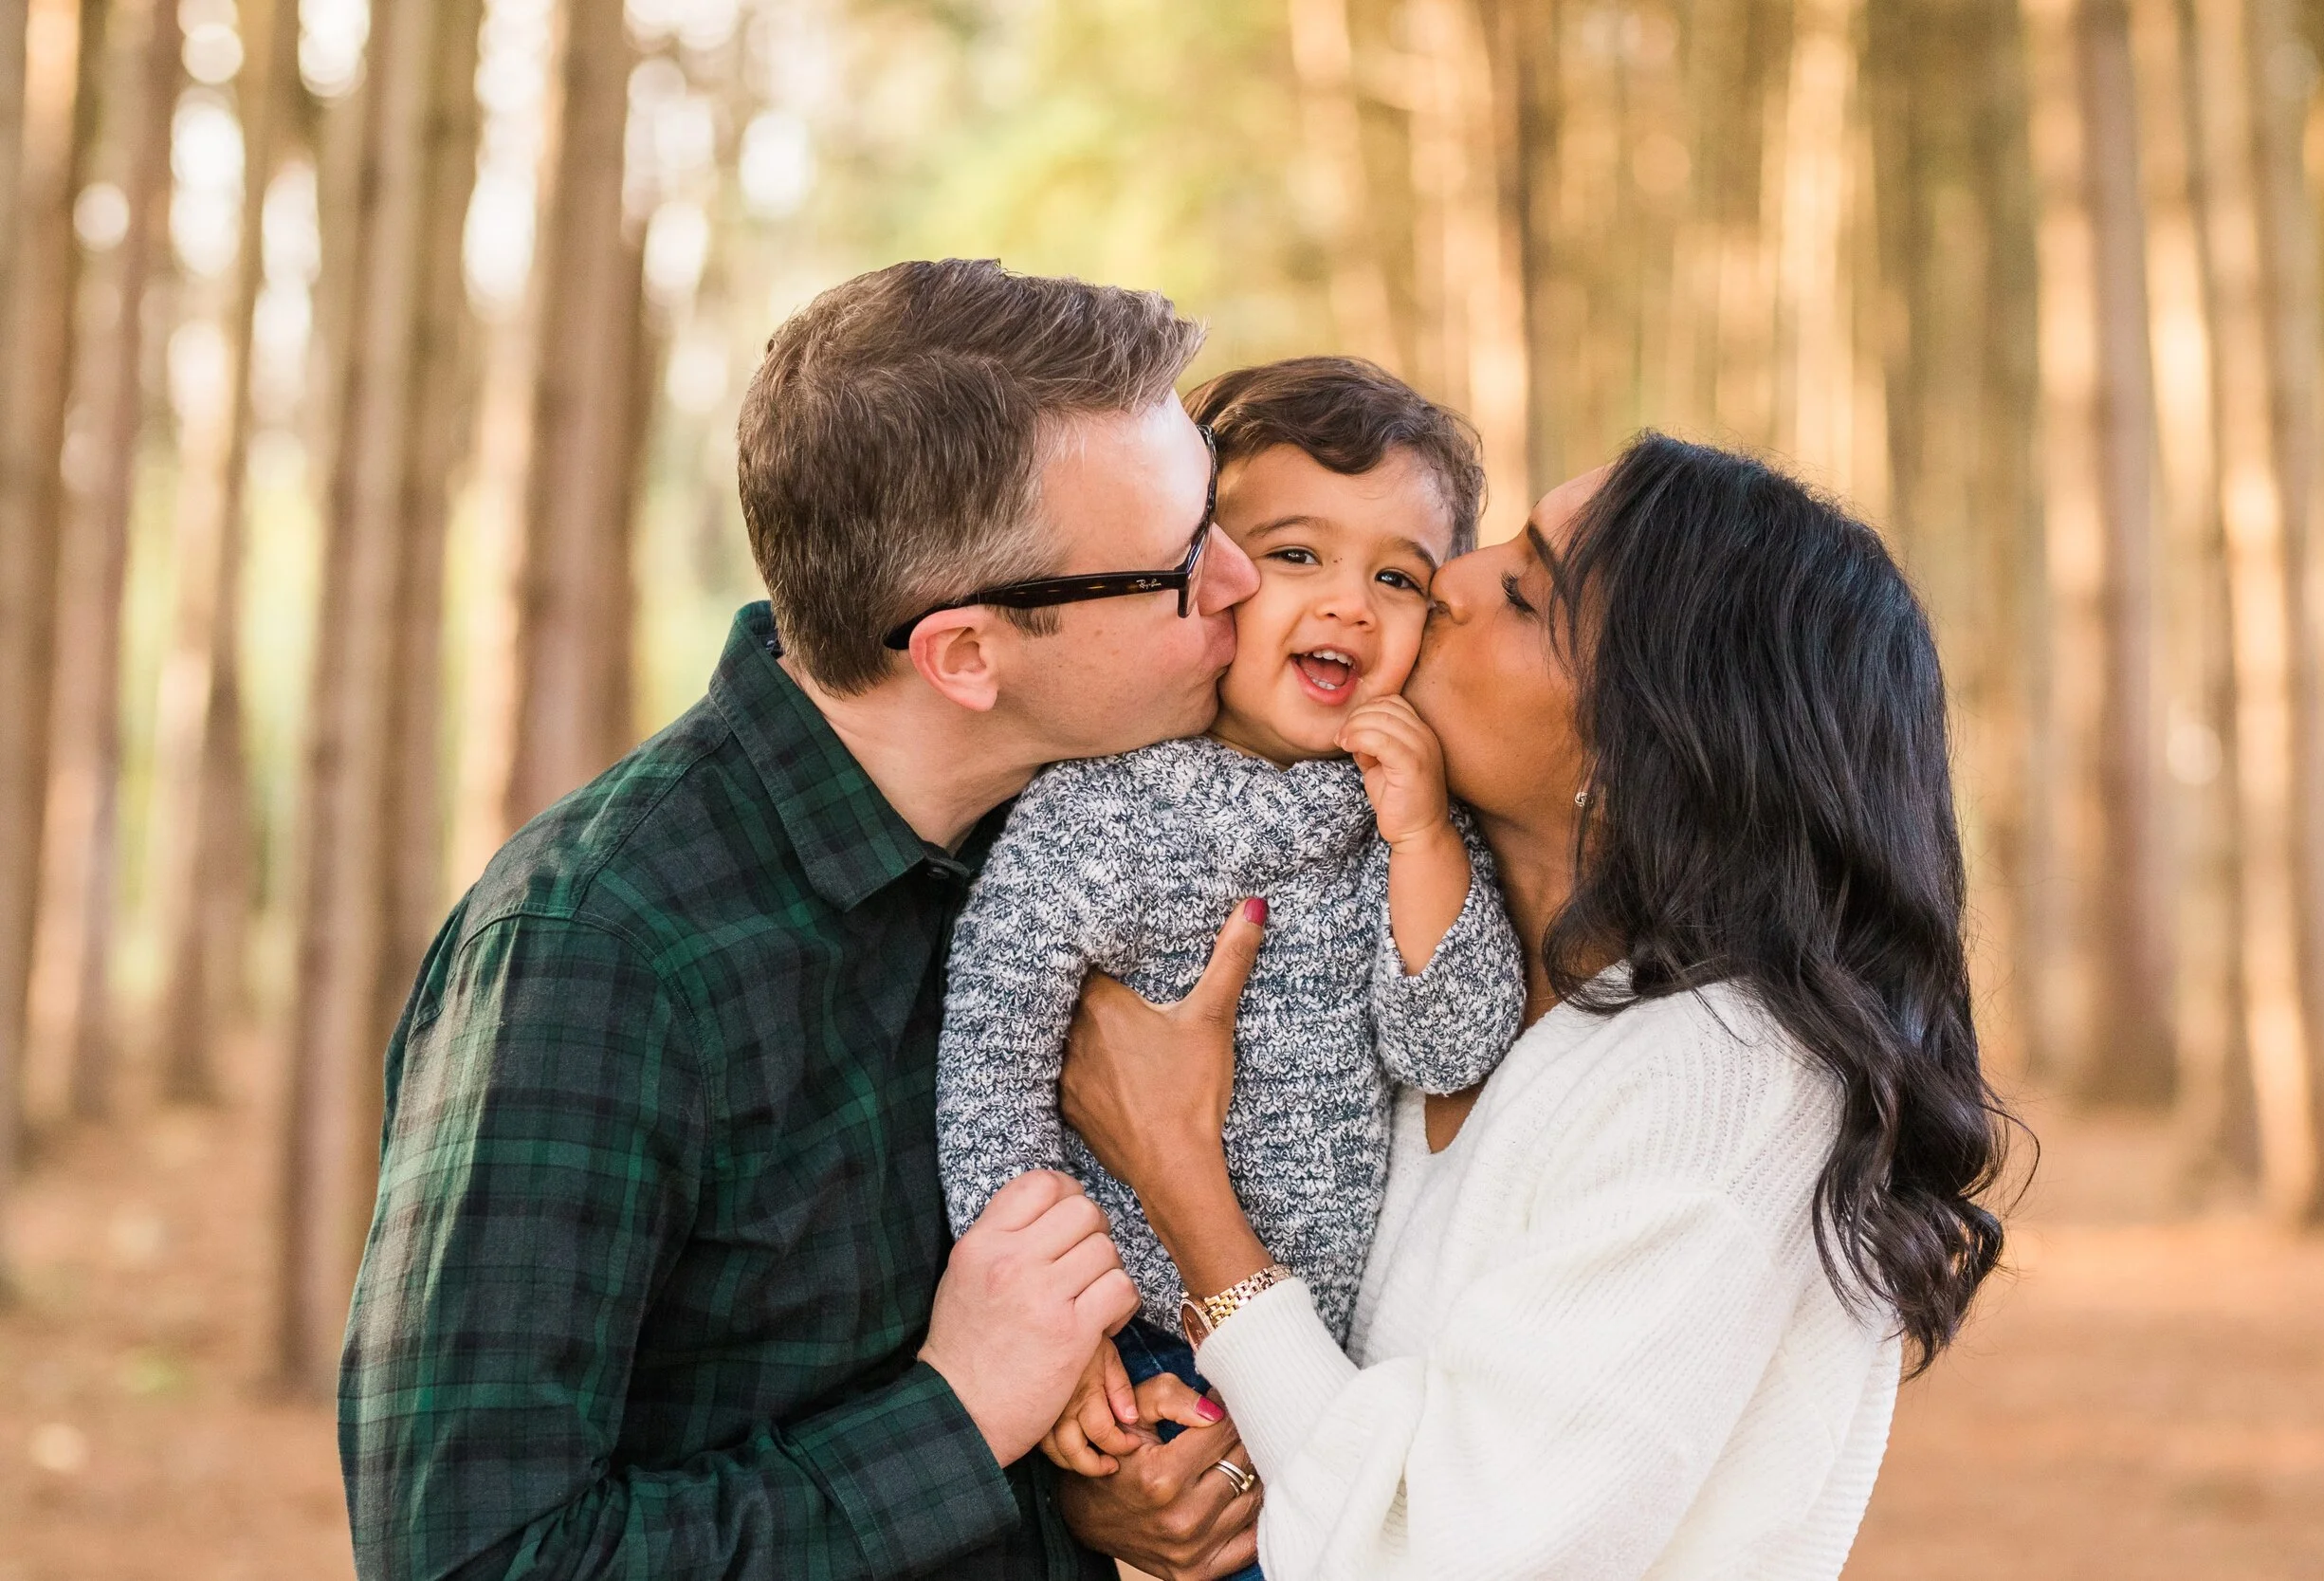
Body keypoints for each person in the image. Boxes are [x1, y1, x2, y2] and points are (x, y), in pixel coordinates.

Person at [338, 260, 1269, 1580]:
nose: (1237, 577)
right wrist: (956, 1418)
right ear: (964, 654)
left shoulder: (1077, 848)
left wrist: (1102, 1485)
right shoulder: (596, 950)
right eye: (1180, 561)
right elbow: (478, 1555)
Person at [1056, 434, 2016, 1579]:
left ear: (1638, 753)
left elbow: (1444, 1553)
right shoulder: (1443, 960)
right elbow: (1355, 1416)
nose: (1449, 581)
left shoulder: (1727, 1086)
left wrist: (1180, 1177)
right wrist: (1156, 1481)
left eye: (1519, 590)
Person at [935, 358, 1527, 1512]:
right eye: (1298, 554)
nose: (1348, 603)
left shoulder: (1406, 813)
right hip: (1137, 1326)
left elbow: (1449, 1047)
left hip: (1317, 1347)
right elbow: (989, 1067)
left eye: (1397, 576)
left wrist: (1418, 841)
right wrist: (1051, 1327)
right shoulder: (1103, 802)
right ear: (1207, 573)